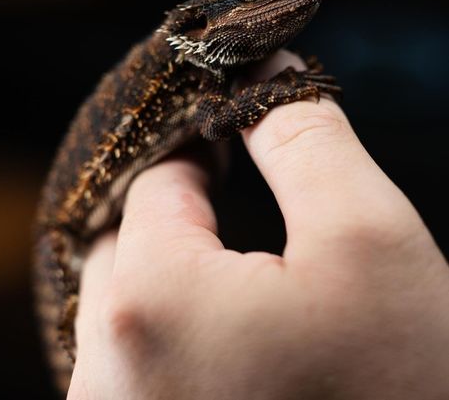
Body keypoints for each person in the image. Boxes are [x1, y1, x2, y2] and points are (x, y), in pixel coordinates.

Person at [67, 51, 449, 399]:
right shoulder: (193, 63)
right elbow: (215, 121)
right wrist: (278, 90)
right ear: (204, 23)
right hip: (67, 230)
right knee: (79, 340)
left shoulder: (215, 67)